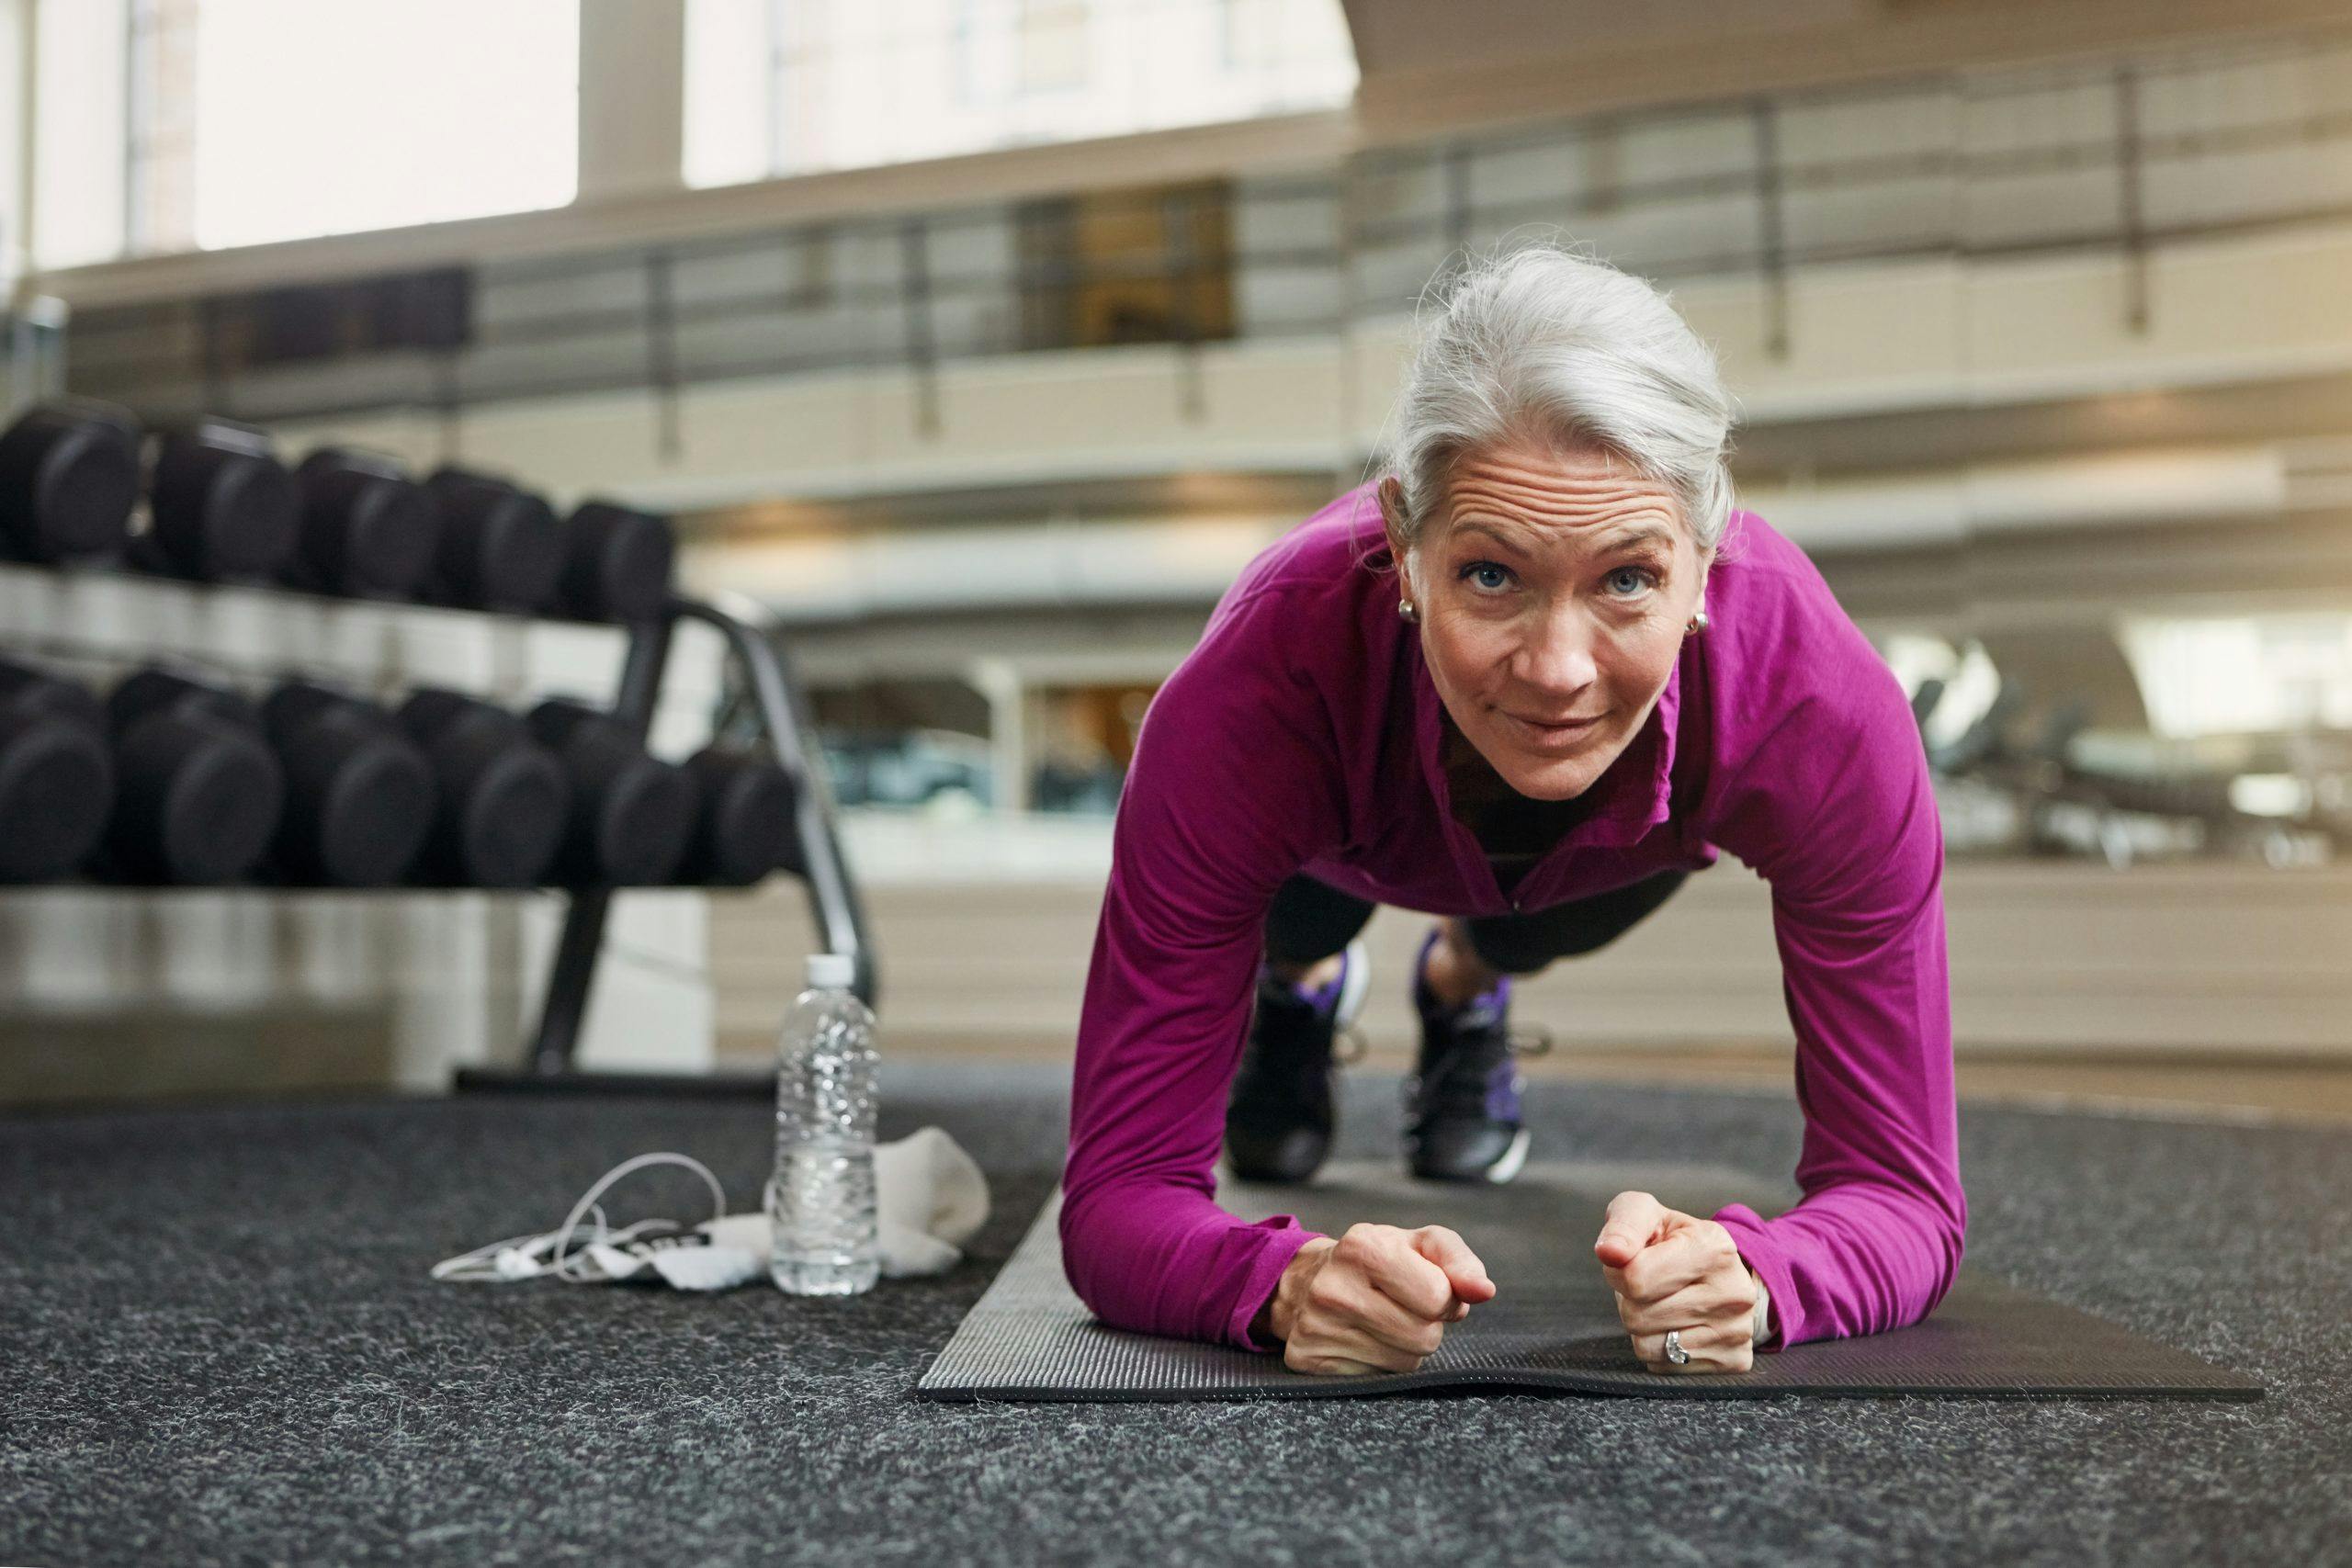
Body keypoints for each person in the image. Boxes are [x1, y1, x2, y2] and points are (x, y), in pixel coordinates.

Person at [1060, 243, 1965, 1377]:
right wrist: (1280, 1285)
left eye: (1627, 579)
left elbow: (1904, 1196)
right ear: (1404, 548)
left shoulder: (1819, 706)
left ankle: (1460, 982)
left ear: (1704, 562)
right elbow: (1118, 1200)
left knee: (1519, 932)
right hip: (1330, 851)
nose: (1556, 673)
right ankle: (1300, 987)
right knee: (1297, 929)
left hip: (1615, 857)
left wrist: (1764, 1277)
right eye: (1491, 575)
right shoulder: (1255, 690)